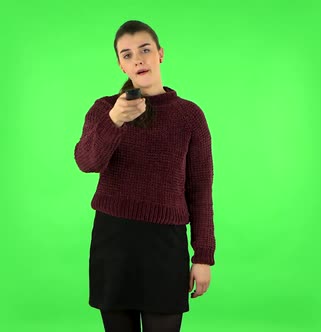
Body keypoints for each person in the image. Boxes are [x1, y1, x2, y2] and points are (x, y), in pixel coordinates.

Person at [74, 20, 216, 332]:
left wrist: (203, 256)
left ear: (160, 54)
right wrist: (114, 122)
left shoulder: (190, 116)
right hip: (113, 243)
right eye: (127, 54)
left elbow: (200, 190)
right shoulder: (105, 109)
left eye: (145, 50)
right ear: (120, 64)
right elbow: (86, 162)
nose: (137, 59)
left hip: (165, 246)